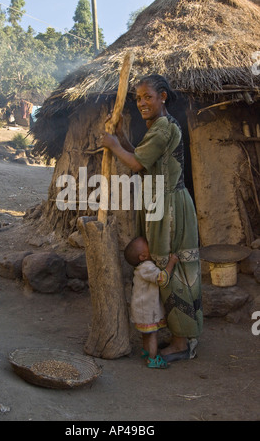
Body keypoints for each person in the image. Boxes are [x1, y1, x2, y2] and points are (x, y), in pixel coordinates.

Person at [102, 74, 203, 363]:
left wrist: (111, 144)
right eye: (138, 98)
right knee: (164, 265)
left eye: (147, 96)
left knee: (174, 267)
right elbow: (139, 158)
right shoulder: (159, 127)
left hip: (170, 207)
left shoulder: (163, 129)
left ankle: (183, 343)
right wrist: (120, 136)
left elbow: (134, 162)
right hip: (161, 204)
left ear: (163, 97)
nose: (142, 102)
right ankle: (176, 336)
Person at [124, 236, 179, 368]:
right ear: (143, 256)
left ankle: (146, 352)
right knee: (153, 335)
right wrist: (171, 262)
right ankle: (152, 358)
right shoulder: (147, 267)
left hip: (141, 309)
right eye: (147, 245)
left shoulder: (141, 267)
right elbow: (161, 279)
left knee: (146, 334)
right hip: (147, 311)